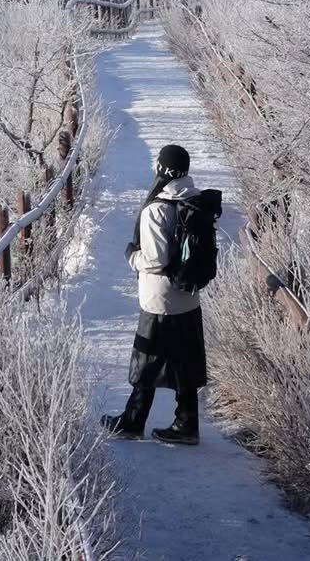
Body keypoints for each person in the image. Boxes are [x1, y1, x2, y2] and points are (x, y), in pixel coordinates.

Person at [101, 143, 207, 445]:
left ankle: (132, 422)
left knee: (146, 361)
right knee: (185, 361)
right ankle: (187, 423)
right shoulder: (194, 200)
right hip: (188, 295)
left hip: (160, 298)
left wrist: (132, 256)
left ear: (162, 169)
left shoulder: (156, 209)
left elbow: (155, 259)